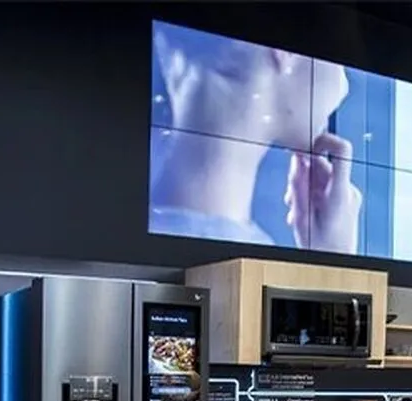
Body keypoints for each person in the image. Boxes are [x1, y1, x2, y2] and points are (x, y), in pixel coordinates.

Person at [151, 22, 362, 255]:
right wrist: (335, 259)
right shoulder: (247, 261)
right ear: (288, 51)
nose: (345, 87)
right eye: (340, 59)